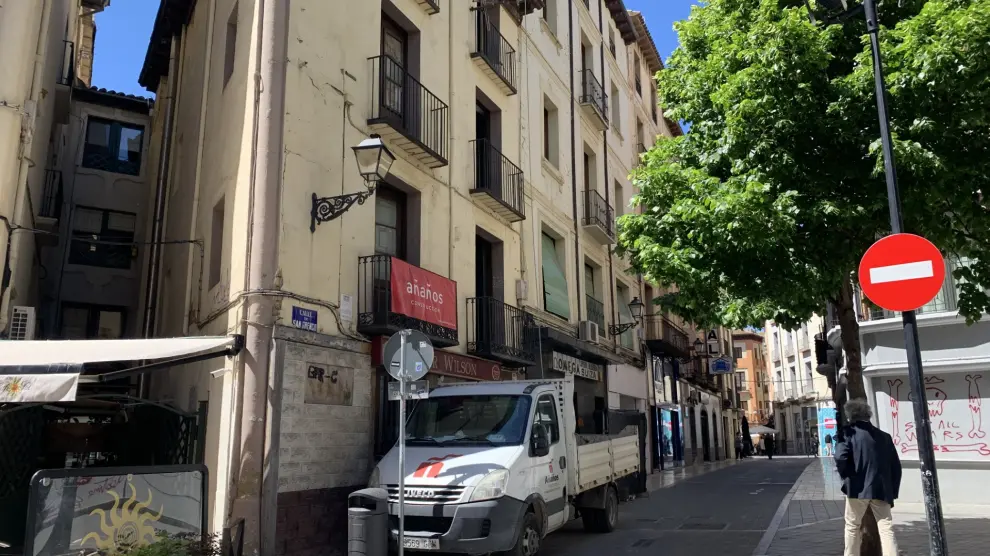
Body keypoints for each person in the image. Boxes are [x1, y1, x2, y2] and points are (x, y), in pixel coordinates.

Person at [835, 399, 902, 556]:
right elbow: (896, 466)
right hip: (881, 488)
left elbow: (840, 457)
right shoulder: (884, 437)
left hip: (856, 489)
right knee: (886, 527)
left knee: (852, 526)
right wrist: (892, 490)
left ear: (850, 415)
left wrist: (848, 476)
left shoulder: (847, 433)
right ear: (868, 415)